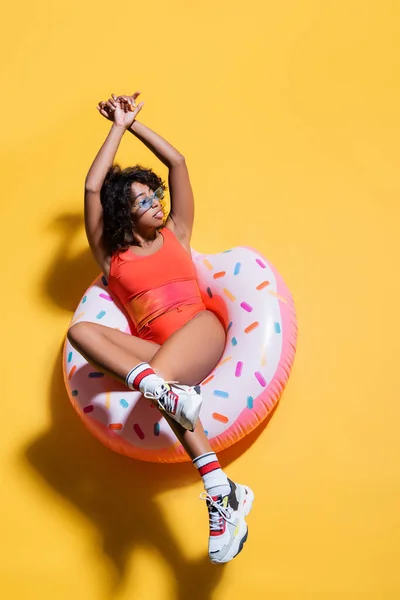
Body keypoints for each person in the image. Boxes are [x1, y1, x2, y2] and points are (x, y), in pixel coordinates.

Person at [67, 90, 254, 564]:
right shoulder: (112, 257)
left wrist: (131, 124)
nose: (154, 201)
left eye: (154, 195)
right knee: (79, 332)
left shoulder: (178, 231)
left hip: (201, 330)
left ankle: (220, 493)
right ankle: (221, 490)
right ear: (122, 214)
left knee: (164, 381)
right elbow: (92, 189)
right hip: (155, 357)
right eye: (141, 199)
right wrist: (111, 130)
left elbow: (178, 161)